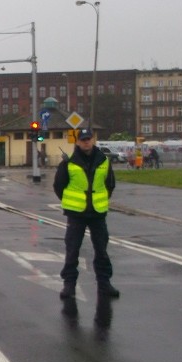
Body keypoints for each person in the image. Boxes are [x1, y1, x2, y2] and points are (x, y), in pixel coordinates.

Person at [53, 128, 119, 299]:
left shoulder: (103, 160)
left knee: (102, 251)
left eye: (89, 139)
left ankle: (105, 284)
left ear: (93, 140)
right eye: (83, 140)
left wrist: (101, 199)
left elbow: (110, 183)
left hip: (97, 214)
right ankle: (69, 285)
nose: (86, 142)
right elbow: (59, 186)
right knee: (72, 251)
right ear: (78, 142)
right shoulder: (69, 163)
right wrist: (71, 202)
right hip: (76, 214)